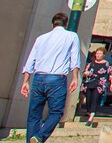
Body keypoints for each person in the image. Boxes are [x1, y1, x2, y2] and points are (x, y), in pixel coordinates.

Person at [20, 12, 81, 143]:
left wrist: (25, 81)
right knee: (56, 112)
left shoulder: (41, 38)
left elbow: (31, 60)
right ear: (66, 24)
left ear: (52, 24)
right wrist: (75, 78)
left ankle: (32, 140)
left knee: (34, 115)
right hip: (56, 79)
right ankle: (39, 137)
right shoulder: (71, 36)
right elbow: (74, 60)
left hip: (38, 78)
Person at [81, 48, 112, 125]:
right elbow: (84, 72)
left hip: (99, 84)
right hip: (89, 83)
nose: (98, 55)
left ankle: (91, 118)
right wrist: (86, 73)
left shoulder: (106, 64)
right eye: (97, 53)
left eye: (100, 54)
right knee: (89, 100)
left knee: (95, 100)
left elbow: (110, 75)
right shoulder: (91, 64)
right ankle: (89, 112)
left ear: (104, 55)